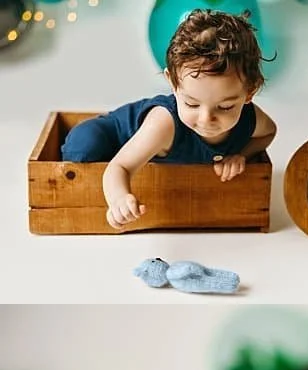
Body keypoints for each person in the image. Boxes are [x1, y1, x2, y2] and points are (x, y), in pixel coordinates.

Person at [61, 9, 276, 231]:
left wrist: (241, 155)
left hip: (151, 149)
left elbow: (269, 132)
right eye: (192, 104)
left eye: (225, 107)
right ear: (173, 83)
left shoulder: (251, 119)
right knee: (84, 147)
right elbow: (120, 166)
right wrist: (118, 199)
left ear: (249, 92)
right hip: (115, 135)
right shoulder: (164, 124)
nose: (206, 119)